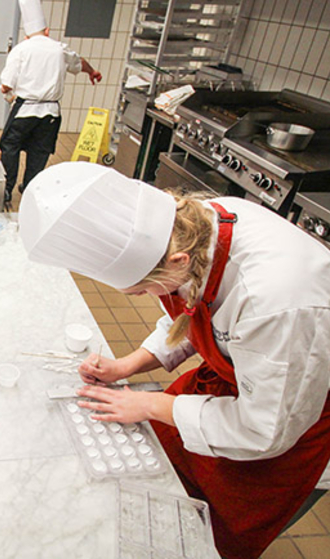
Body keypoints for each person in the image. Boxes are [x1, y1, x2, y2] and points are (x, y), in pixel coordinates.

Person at [18, 162, 330, 559]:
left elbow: (265, 431)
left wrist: (150, 403)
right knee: (166, 481)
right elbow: (190, 312)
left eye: (142, 290)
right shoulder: (198, 227)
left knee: (213, 537)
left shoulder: (278, 302)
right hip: (234, 382)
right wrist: (128, 365)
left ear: (179, 262)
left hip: (293, 425)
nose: (146, 297)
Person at [0, 0, 102, 206]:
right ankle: (29, 190)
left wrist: (6, 89)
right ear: (47, 31)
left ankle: (6, 190)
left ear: (27, 35)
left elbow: (6, 84)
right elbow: (79, 62)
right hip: (51, 114)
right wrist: (92, 72)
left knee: (10, 147)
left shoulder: (21, 49)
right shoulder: (59, 48)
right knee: (39, 151)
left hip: (25, 109)